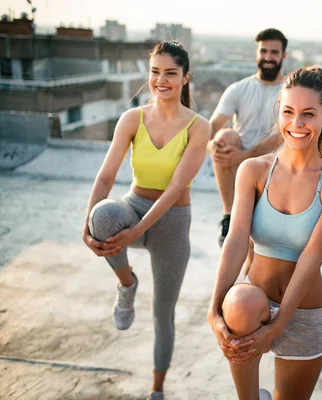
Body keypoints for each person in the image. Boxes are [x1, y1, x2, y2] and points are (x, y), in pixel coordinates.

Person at [207, 65, 322, 400]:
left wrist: (278, 325)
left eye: (308, 114)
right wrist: (214, 308)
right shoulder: (253, 170)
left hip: (303, 311)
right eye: (288, 112)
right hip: (248, 309)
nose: (297, 124)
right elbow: (236, 240)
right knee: (242, 300)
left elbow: (312, 257)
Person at [81, 41, 211, 400]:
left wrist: (139, 231)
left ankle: (157, 387)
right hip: (133, 205)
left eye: (170, 73)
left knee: (162, 313)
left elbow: (174, 189)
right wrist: (87, 223)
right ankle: (126, 285)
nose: (161, 80)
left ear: (186, 77)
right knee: (104, 214)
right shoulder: (132, 118)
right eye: (155, 72)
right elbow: (106, 177)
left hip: (172, 221)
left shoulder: (199, 127)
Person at [209, 28, 289, 248]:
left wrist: (244, 156)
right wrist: (211, 146)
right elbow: (213, 125)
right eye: (263, 51)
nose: (268, 57)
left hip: (274, 165)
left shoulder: (289, 92)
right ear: (257, 54)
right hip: (236, 165)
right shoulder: (239, 89)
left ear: (283, 56)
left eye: (274, 52)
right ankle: (228, 215)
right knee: (223, 137)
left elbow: (280, 136)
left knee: (257, 250)